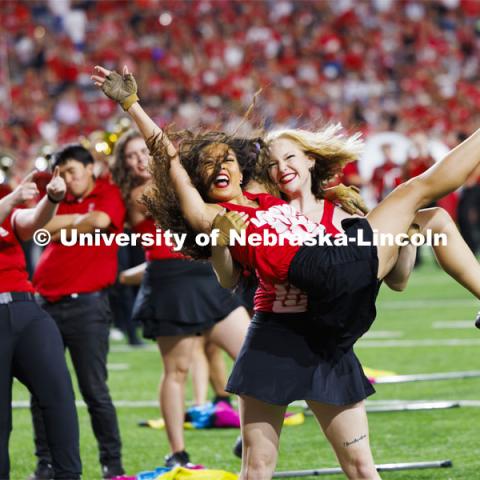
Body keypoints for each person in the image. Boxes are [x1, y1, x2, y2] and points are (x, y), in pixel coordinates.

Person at [93, 66, 480, 479]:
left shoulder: (269, 202)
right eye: (207, 166)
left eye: (225, 159)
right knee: (256, 467)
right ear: (199, 182)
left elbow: (301, 184)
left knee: (431, 215)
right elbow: (167, 156)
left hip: (330, 297)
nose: (219, 167)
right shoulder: (215, 214)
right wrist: (133, 105)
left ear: (242, 170)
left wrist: (339, 204)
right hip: (285, 321)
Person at [111, 129, 250, 466]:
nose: (137, 161)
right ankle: (177, 451)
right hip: (170, 283)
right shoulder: (136, 193)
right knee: (177, 371)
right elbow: (170, 195)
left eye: (142, 152)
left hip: (205, 275)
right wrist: (176, 165)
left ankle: (249, 436)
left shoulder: (178, 179)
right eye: (129, 157)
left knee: (253, 355)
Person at [30, 145, 126, 480]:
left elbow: (100, 221)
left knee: (94, 391)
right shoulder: (55, 199)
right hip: (43, 305)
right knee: (43, 391)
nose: (67, 180)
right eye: (62, 173)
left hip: (87, 306)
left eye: (72, 171)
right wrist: (73, 219)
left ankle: (111, 464)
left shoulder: (109, 192)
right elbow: (37, 230)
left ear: (91, 168)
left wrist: (59, 224)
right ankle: (46, 464)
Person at [0, 169, 81, 480]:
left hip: (25, 307)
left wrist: (52, 198)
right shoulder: (5, 201)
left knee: (58, 395)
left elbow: (31, 221)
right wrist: (11, 198)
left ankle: (68, 475)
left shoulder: (6, 204)